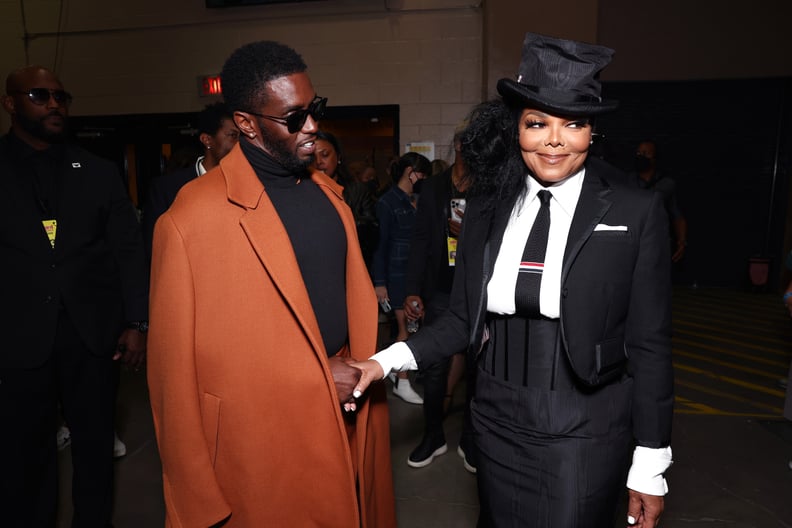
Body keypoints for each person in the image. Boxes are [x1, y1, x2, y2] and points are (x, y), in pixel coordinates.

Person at [351, 32, 674, 527]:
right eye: (537, 122)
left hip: (585, 425)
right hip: (495, 419)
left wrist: (651, 462)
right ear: (514, 128)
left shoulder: (635, 209)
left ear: (593, 132)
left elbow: (649, 344)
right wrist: (383, 361)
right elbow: (461, 317)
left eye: (574, 125)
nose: (553, 139)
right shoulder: (487, 203)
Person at [147, 41, 396, 527]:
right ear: (246, 124)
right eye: (294, 116)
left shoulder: (329, 193)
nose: (312, 126)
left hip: (349, 415)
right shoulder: (188, 219)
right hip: (260, 449)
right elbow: (171, 380)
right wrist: (195, 499)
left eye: (315, 109)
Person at [0, 66, 149, 526]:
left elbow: (128, 252)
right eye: (40, 95)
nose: (54, 104)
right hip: (17, 336)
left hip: (92, 337)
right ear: (11, 102)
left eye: (61, 97)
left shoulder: (97, 171)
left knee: (94, 452)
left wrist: (137, 322)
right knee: (25, 457)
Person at [403, 125, 476, 470]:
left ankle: (472, 439)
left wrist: (471, 234)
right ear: (459, 145)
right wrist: (412, 289)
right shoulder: (432, 188)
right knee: (433, 368)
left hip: (478, 293)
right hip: (440, 291)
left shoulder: (491, 190)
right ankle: (433, 436)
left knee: (479, 369)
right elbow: (419, 242)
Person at [142, 101, 239, 258]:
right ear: (207, 140)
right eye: (233, 136)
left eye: (243, 136)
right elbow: (156, 248)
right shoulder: (168, 188)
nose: (240, 144)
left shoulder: (247, 183)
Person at [371, 151, 431, 405]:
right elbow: (380, 245)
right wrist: (379, 283)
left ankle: (400, 376)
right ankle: (402, 382)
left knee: (413, 327)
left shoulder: (416, 199)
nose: (424, 180)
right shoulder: (387, 202)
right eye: (422, 175)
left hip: (416, 274)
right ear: (411, 173)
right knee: (405, 329)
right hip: (396, 274)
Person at [312, 130, 379, 271]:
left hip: (352, 268)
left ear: (338, 157)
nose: (318, 162)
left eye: (325, 155)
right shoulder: (300, 192)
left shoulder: (357, 191)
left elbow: (372, 230)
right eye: (312, 156)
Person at [632, 139, 688, 262]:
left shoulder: (667, 184)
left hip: (658, 240)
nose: (641, 156)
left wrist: (681, 242)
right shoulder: (627, 181)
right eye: (639, 153)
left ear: (655, 158)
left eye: (646, 153)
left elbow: (677, 215)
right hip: (633, 241)